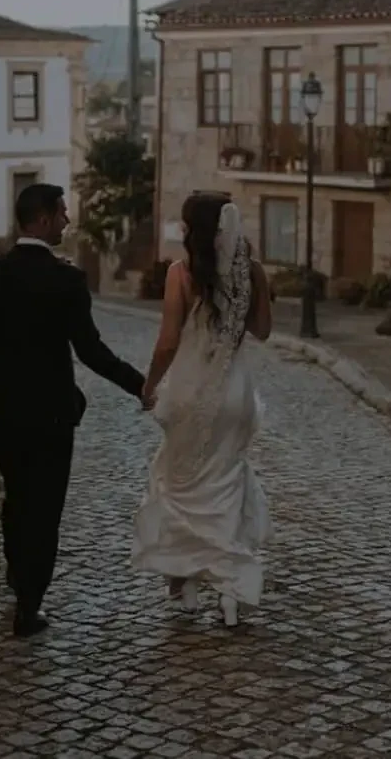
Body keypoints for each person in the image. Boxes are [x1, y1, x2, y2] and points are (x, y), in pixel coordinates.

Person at [0, 183, 148, 637]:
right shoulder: (66, 280)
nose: (68, 221)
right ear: (45, 219)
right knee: (45, 508)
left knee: (17, 496)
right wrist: (141, 386)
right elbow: (91, 352)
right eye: (63, 213)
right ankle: (28, 605)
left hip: (6, 409)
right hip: (52, 412)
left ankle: (18, 573)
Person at [131, 191, 273, 627]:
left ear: (194, 229)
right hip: (234, 394)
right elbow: (264, 332)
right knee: (224, 484)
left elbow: (169, 342)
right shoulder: (251, 272)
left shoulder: (180, 273)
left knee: (180, 485)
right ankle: (230, 592)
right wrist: (257, 289)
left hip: (191, 394)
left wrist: (148, 387)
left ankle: (186, 585)